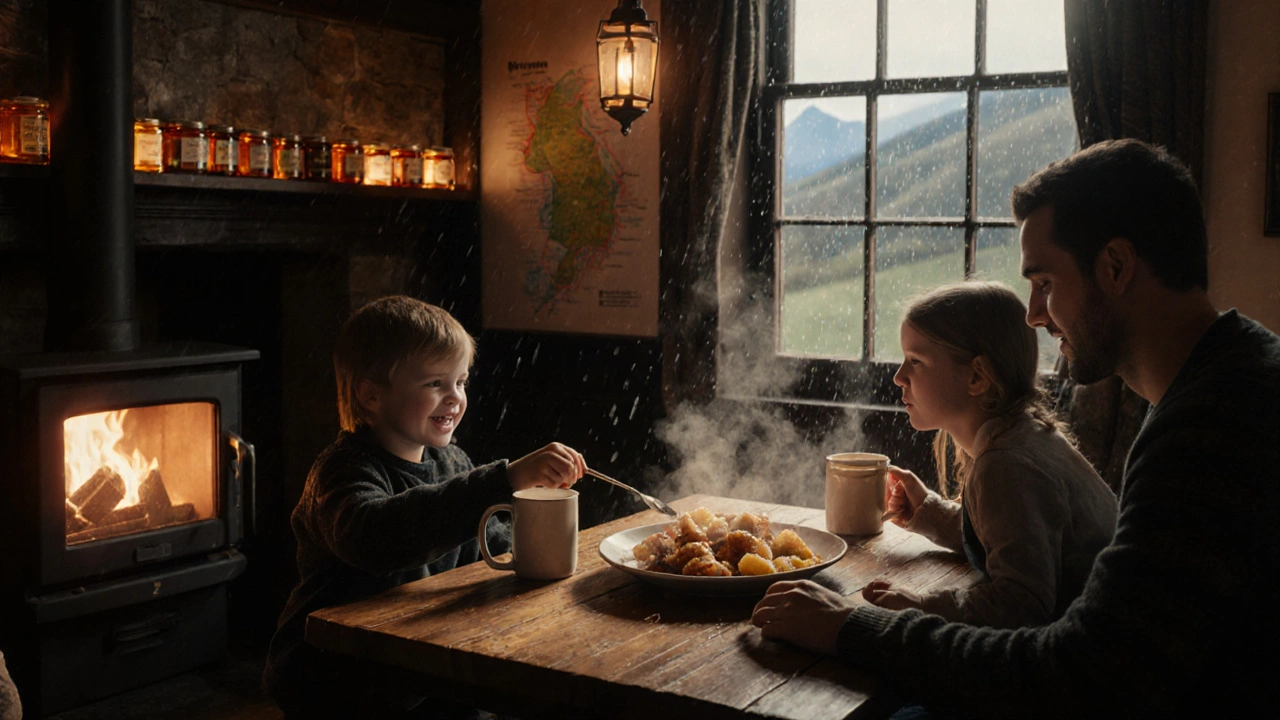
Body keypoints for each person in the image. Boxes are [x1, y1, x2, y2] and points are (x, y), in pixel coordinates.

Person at [751, 139, 1280, 718]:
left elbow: (1082, 674)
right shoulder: (1222, 383)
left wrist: (852, 628)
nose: (1033, 315)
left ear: (1117, 267)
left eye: (1045, 283)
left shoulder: (1216, 426)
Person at [263, 296, 586, 719]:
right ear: (371, 395)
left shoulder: (452, 463)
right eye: (435, 384)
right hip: (340, 678)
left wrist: (540, 531)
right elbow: (376, 538)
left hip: (424, 663)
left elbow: (494, 546)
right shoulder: (340, 472)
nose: (454, 398)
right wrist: (504, 480)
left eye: (461, 382)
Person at [864, 282, 1116, 629]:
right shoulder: (1020, 438)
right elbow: (1005, 541)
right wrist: (928, 512)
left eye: (915, 361)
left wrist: (924, 603)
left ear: (977, 377)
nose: (898, 377)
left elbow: (1020, 604)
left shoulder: (1007, 467)